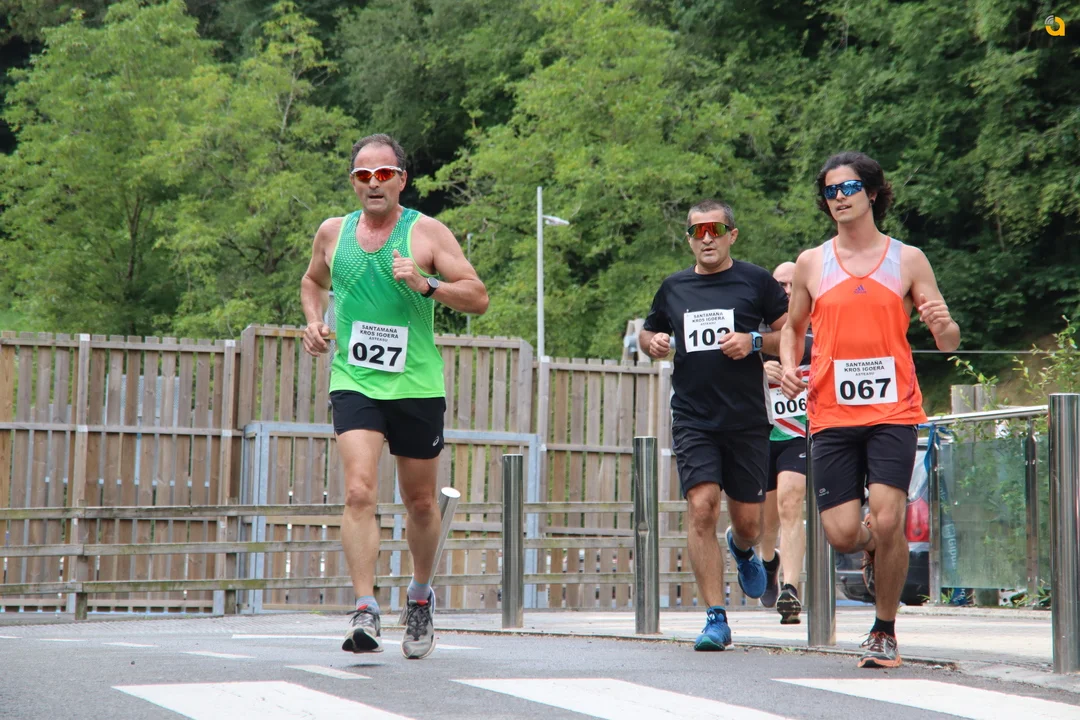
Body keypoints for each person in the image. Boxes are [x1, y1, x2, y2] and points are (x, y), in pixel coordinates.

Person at [300, 133, 489, 660]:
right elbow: (312, 282)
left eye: (384, 174)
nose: (374, 183)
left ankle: (420, 596)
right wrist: (313, 322)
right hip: (355, 378)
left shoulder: (426, 232)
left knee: (420, 502)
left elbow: (478, 296)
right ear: (353, 182)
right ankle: (365, 607)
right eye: (364, 175)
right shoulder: (332, 232)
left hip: (416, 384)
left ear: (402, 180)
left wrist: (428, 285)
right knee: (358, 491)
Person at [779, 151, 959, 669]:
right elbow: (792, 328)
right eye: (831, 191)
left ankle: (884, 631)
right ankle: (872, 546)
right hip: (831, 414)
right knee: (841, 533)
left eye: (849, 187)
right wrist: (790, 365)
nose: (839, 198)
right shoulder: (812, 262)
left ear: (873, 192)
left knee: (889, 515)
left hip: (893, 411)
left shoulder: (908, 259)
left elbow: (948, 342)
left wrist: (942, 323)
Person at [639, 199, 789, 651]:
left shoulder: (756, 281)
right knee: (702, 507)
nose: (707, 238)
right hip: (694, 418)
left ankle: (741, 549)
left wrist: (754, 341)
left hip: (746, 421)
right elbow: (648, 331)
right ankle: (715, 618)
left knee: (748, 524)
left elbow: (795, 333)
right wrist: (654, 342)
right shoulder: (674, 287)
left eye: (715, 230)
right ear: (689, 238)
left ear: (732, 235)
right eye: (697, 231)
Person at [757, 261, 811, 625]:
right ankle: (768, 562)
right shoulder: (757, 332)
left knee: (791, 502)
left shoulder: (818, 327)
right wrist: (758, 368)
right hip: (761, 434)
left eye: (793, 284)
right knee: (764, 518)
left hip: (798, 435)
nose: (788, 291)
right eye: (781, 285)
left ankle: (790, 589)